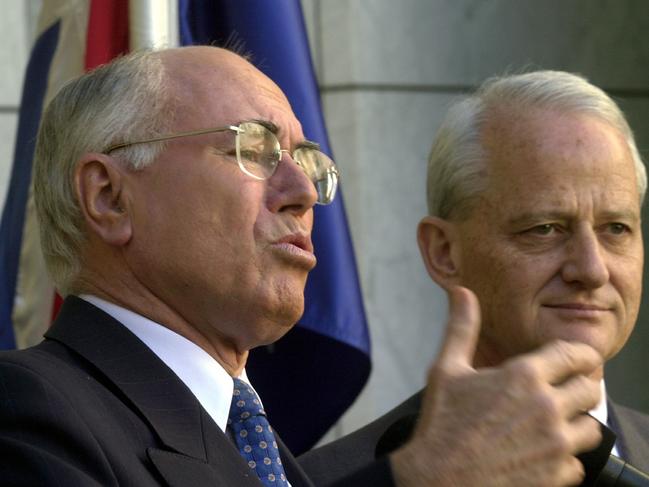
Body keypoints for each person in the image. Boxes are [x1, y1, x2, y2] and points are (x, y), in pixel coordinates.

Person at [0, 48, 602, 486]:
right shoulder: (26, 410)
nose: (303, 193)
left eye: (308, 162)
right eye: (254, 150)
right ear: (109, 196)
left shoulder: (261, 448)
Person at [300, 70, 649, 485]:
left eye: (616, 229)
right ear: (444, 253)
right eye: (544, 228)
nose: (591, 270)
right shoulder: (318, 480)